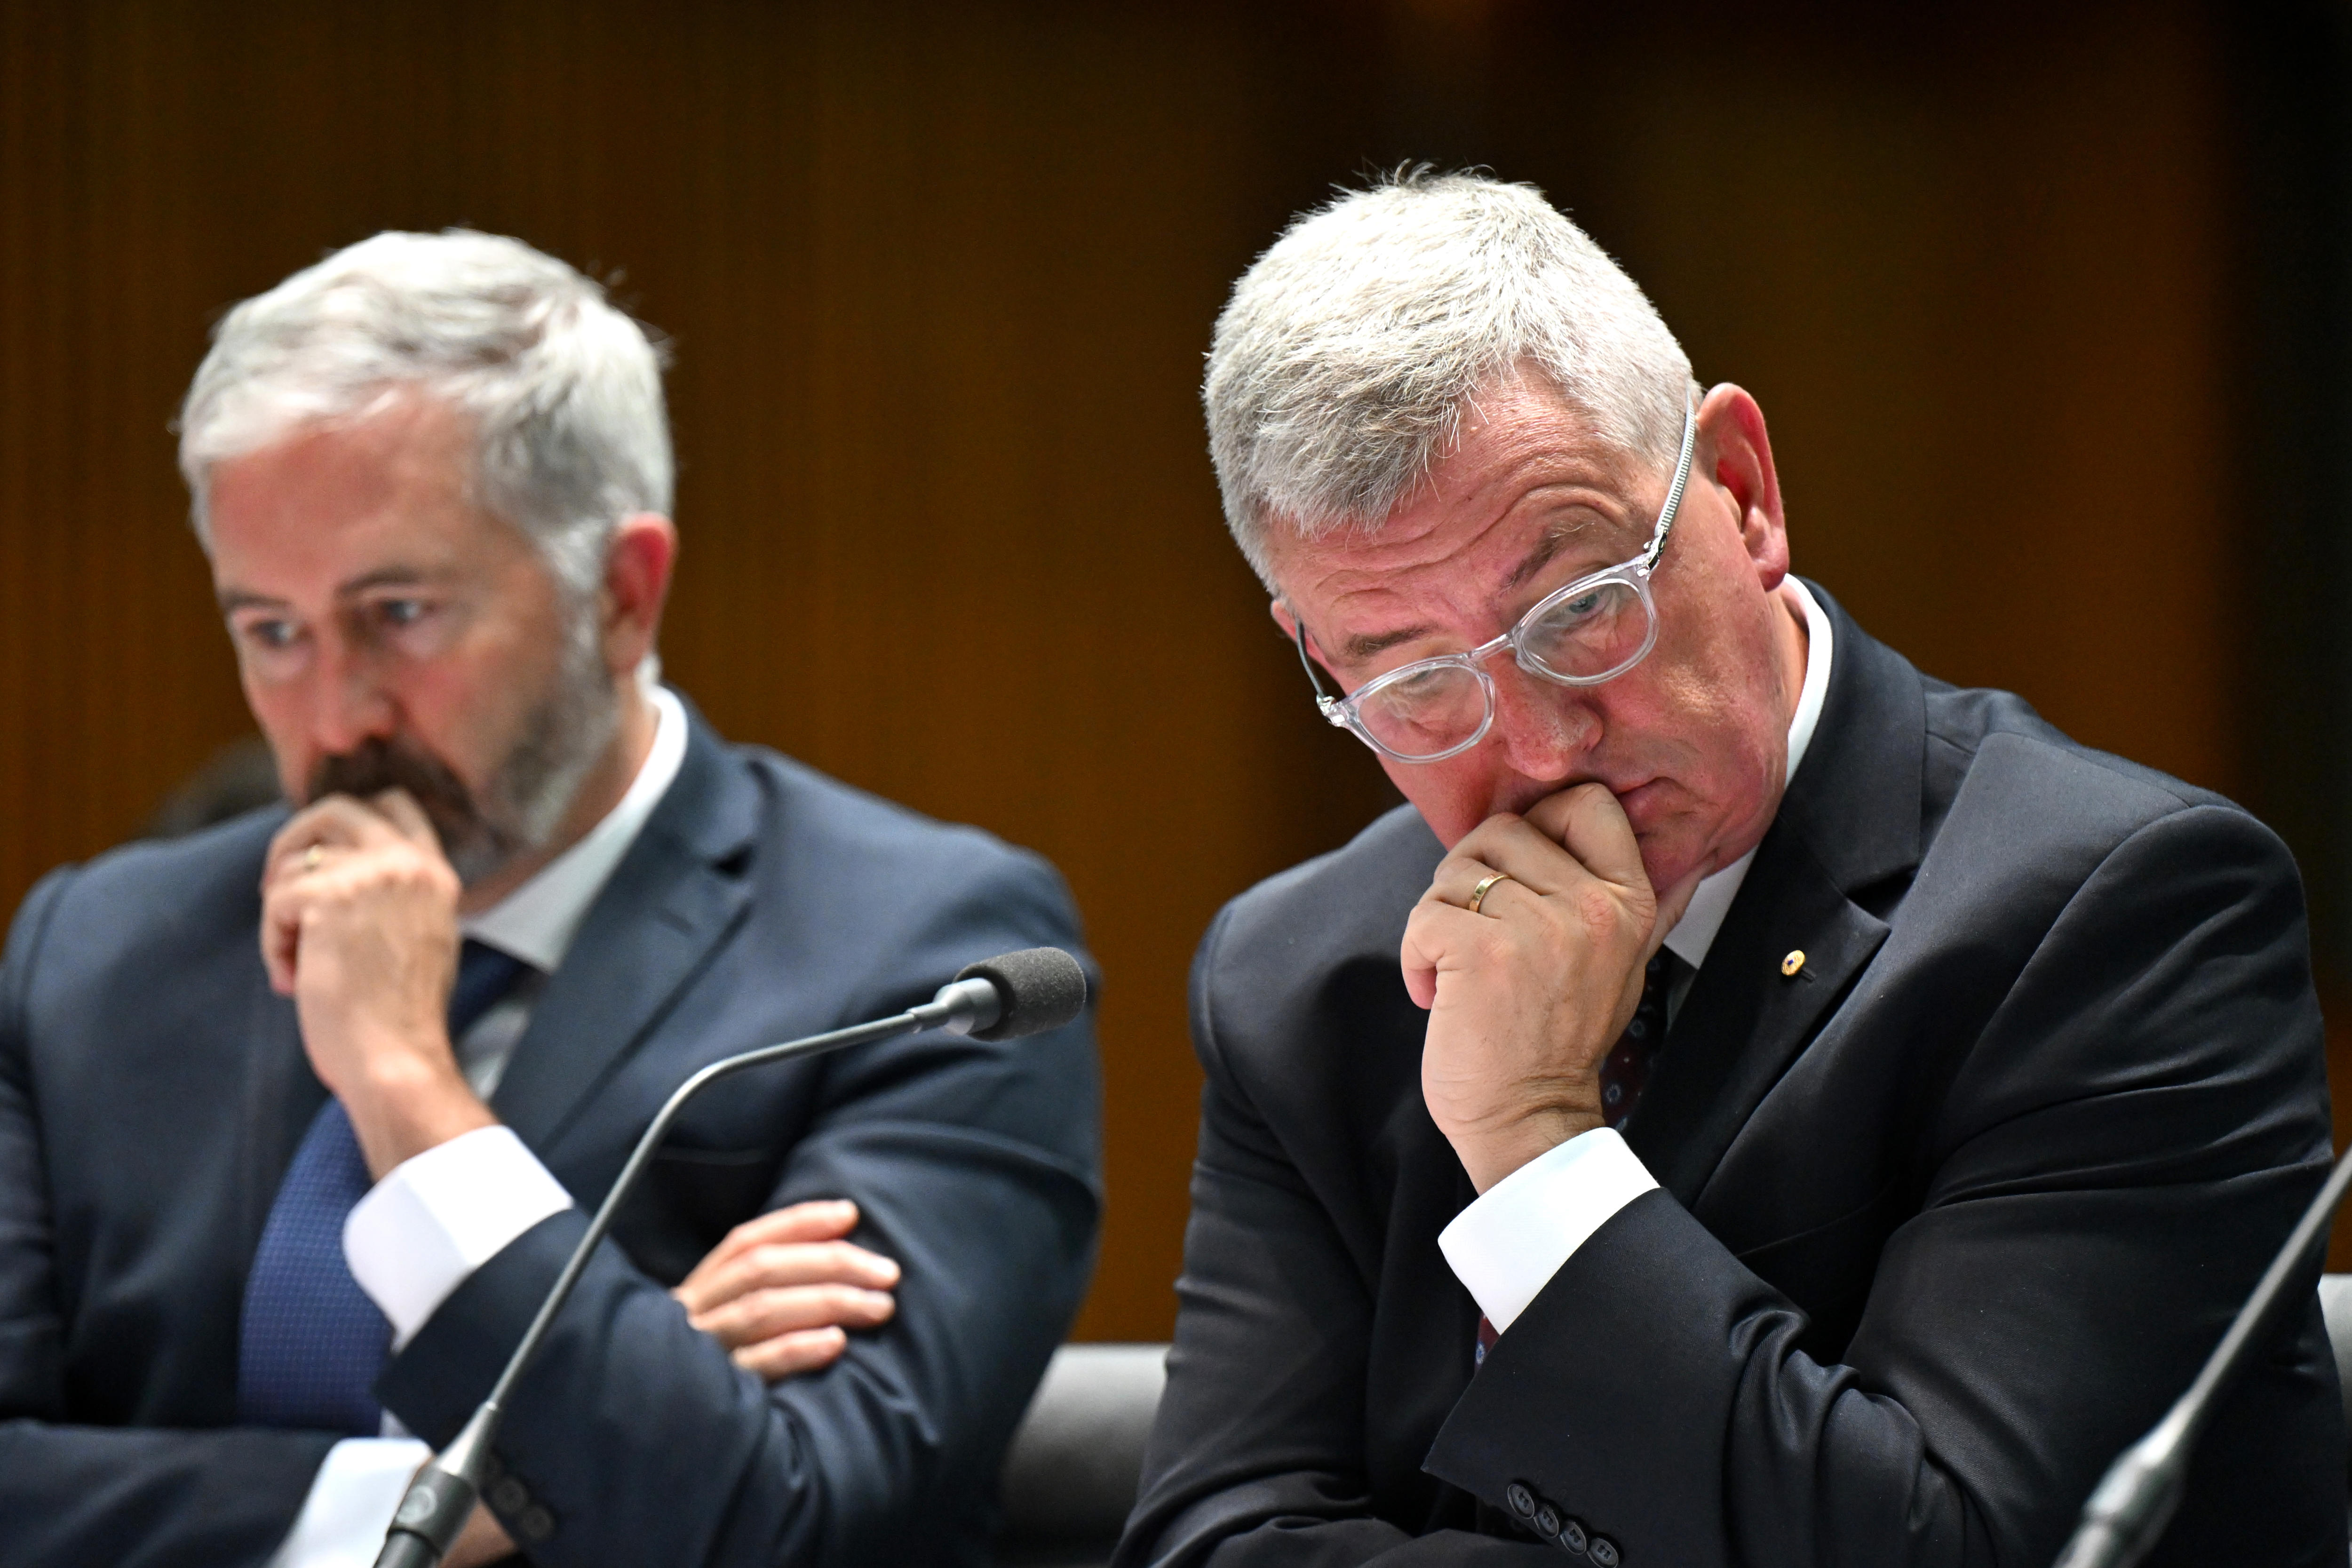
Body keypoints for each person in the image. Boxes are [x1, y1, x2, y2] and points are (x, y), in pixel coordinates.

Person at [1116, 171, 2344, 1568]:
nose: (1538, 745)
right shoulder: (1307, 975)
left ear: (1744, 492)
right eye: (1414, 682)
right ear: (1315, 657)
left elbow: (1953, 1548)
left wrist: (1529, 1139)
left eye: (1579, 611)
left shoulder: (2116, 912)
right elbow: (1211, 1545)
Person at [0, 231, 1102, 1568]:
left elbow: (791, 1518)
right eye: (271, 632)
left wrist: (409, 1087)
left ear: (623, 595)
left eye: (397, 612)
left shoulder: (927, 959)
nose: (335, 713)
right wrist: (456, 1491)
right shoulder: (95, 952)